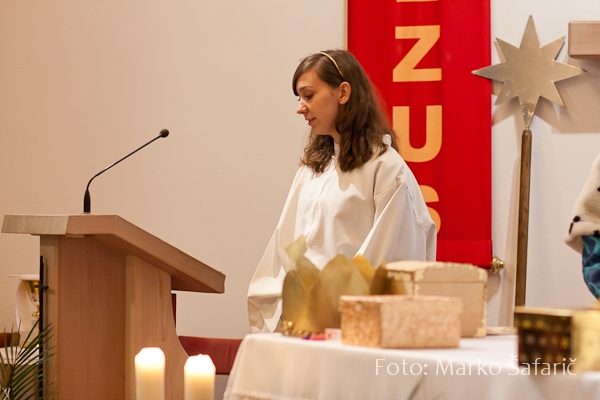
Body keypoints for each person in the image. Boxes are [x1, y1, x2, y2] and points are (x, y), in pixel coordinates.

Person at [247, 50, 436, 333]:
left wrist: (332, 311)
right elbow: (284, 249)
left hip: (350, 326)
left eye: (309, 95)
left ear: (343, 92)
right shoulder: (312, 169)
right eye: (300, 98)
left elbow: (389, 257)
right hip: (302, 324)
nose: (300, 108)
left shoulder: (385, 169)